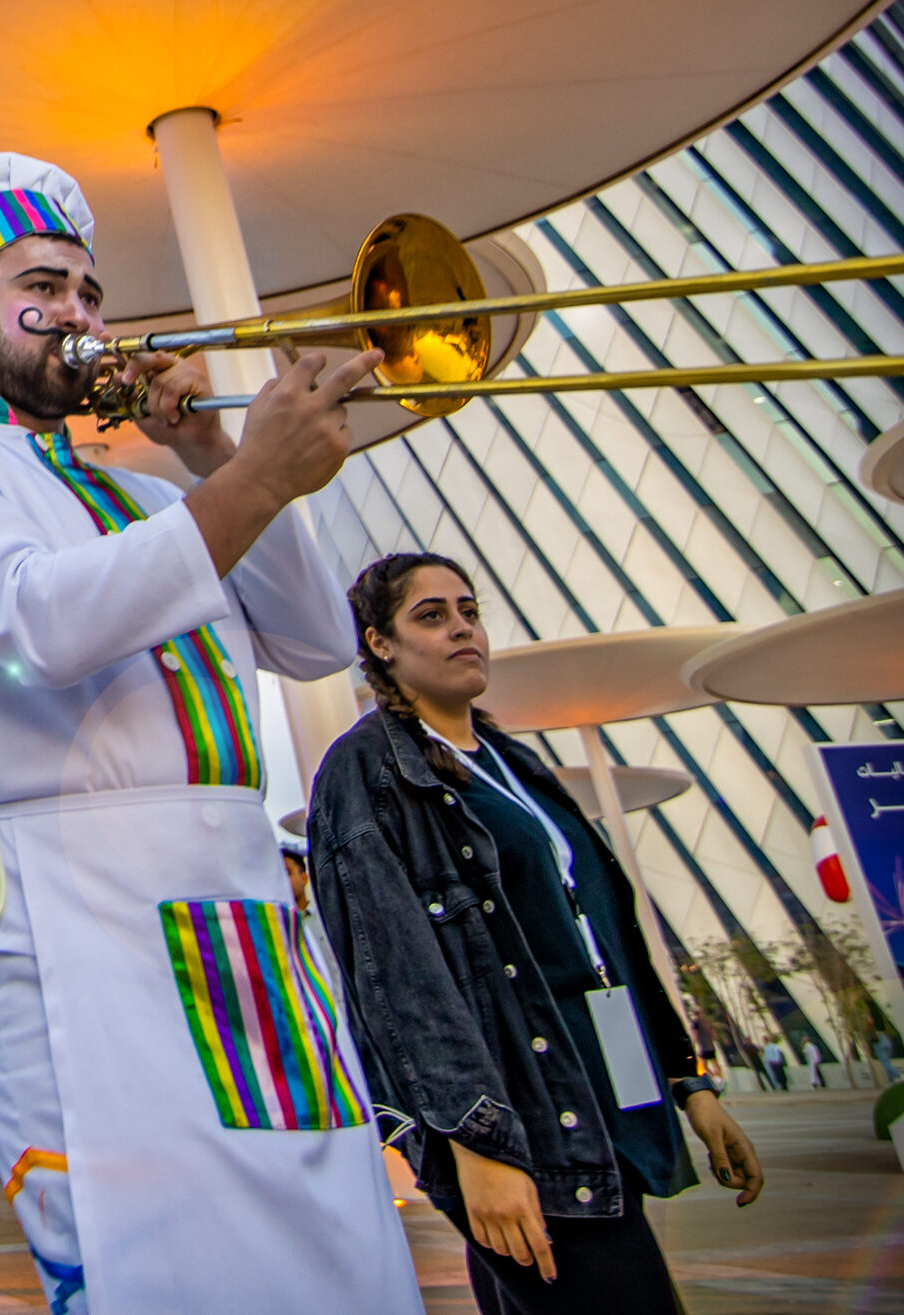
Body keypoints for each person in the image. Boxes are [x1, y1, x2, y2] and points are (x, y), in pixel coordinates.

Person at [0, 152, 415, 1315]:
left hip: (239, 918)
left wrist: (213, 456)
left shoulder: (162, 498)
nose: (77, 315)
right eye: (42, 286)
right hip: (67, 925)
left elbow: (313, 641)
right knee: (139, 1270)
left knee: (328, 1252)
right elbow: (33, 623)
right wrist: (249, 483)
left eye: (90, 293)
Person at [309, 553, 764, 1314]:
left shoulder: (516, 764)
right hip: (524, 1120)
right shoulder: (366, 771)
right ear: (379, 643)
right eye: (431, 615)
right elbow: (395, 976)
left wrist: (690, 1082)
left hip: (603, 1101)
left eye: (469, 609)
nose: (461, 626)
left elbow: (609, 938)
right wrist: (475, 1139)